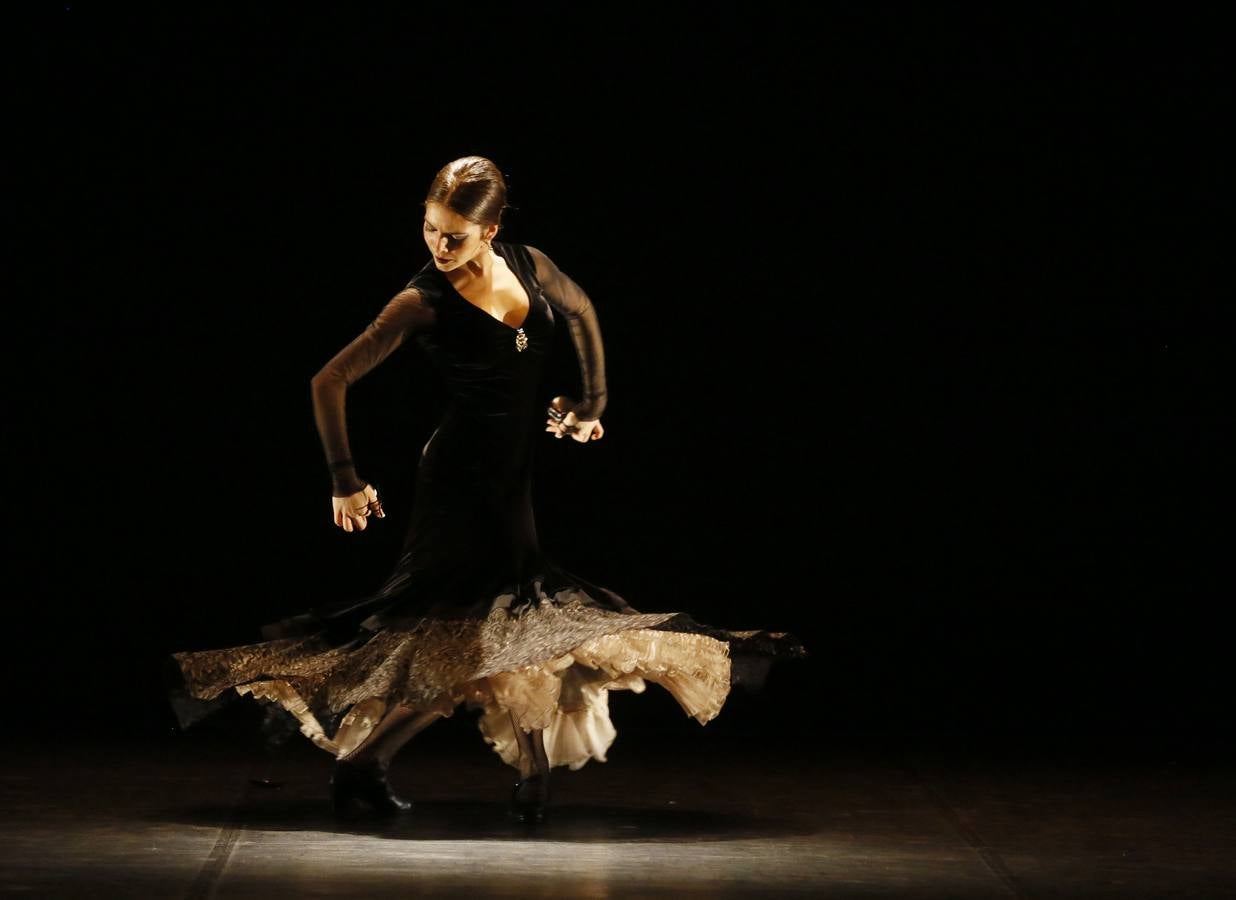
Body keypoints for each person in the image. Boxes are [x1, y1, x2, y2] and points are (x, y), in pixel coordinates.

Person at [166, 156, 807, 824]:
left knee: (492, 635)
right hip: (458, 486)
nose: (440, 247)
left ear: (492, 229)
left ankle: (372, 764)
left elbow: (581, 311)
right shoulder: (423, 300)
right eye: (431, 230)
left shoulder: (530, 264)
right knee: (497, 627)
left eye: (456, 236)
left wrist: (591, 403)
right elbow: (328, 380)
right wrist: (344, 482)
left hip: (510, 481)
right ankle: (517, 775)